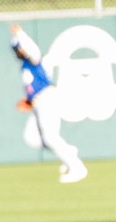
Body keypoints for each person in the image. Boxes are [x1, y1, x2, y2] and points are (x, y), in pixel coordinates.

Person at [11, 23, 87, 184]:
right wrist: (28, 101)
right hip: (38, 103)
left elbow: (33, 50)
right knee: (31, 138)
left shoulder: (33, 60)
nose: (17, 52)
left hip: (47, 99)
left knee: (51, 138)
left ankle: (77, 168)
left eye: (18, 49)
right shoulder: (24, 66)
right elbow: (33, 88)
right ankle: (67, 150)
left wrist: (21, 34)